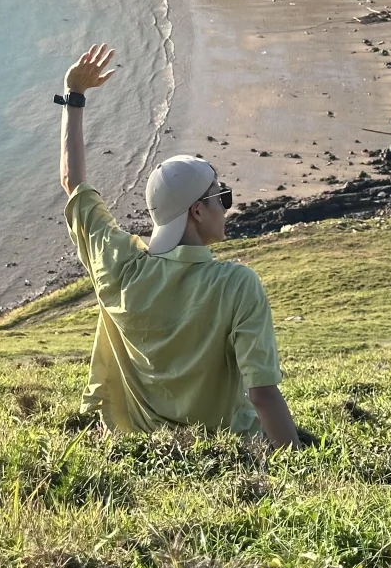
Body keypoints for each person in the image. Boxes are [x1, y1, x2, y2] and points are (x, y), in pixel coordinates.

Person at [57, 43, 300, 447]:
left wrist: (74, 96)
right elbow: (260, 394)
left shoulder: (119, 267)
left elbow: (73, 183)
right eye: (221, 198)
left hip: (137, 443)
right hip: (221, 446)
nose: (227, 207)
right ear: (197, 212)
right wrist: (299, 470)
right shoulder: (236, 285)